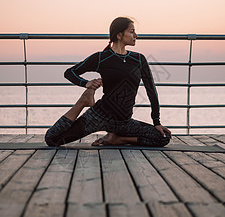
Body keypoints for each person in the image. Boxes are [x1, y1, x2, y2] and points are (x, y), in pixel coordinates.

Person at [45, 17, 171, 147]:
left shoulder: (139, 59)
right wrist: (86, 83)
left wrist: (157, 122)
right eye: (132, 31)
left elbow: (151, 91)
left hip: (124, 123)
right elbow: (70, 72)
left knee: (163, 137)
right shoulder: (101, 58)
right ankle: (83, 101)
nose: (136, 35)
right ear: (119, 35)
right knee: (52, 139)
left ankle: (116, 139)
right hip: (98, 117)